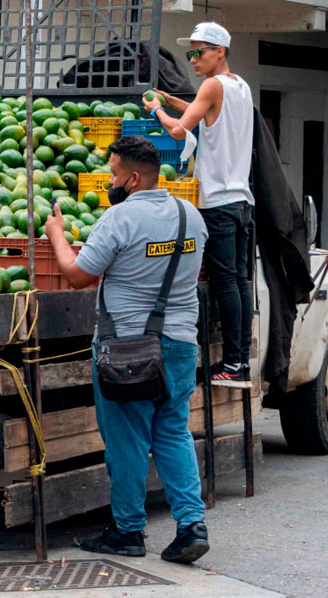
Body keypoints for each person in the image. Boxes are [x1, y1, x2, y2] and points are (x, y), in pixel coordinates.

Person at [46, 135, 211, 564]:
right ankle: (192, 525)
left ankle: (128, 531)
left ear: (134, 178)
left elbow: (78, 276)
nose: (110, 182)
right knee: (173, 432)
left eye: (115, 174)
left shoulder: (118, 219)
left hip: (126, 352)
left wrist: (57, 236)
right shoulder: (190, 215)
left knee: (127, 441)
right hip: (178, 344)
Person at [143, 21, 255, 383]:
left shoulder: (211, 85)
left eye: (198, 51)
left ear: (219, 51)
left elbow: (179, 129)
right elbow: (201, 109)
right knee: (239, 280)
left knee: (225, 283)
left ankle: (234, 365)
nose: (191, 59)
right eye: (190, 52)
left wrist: (154, 112)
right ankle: (242, 360)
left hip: (218, 202)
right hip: (242, 200)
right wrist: (170, 100)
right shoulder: (240, 87)